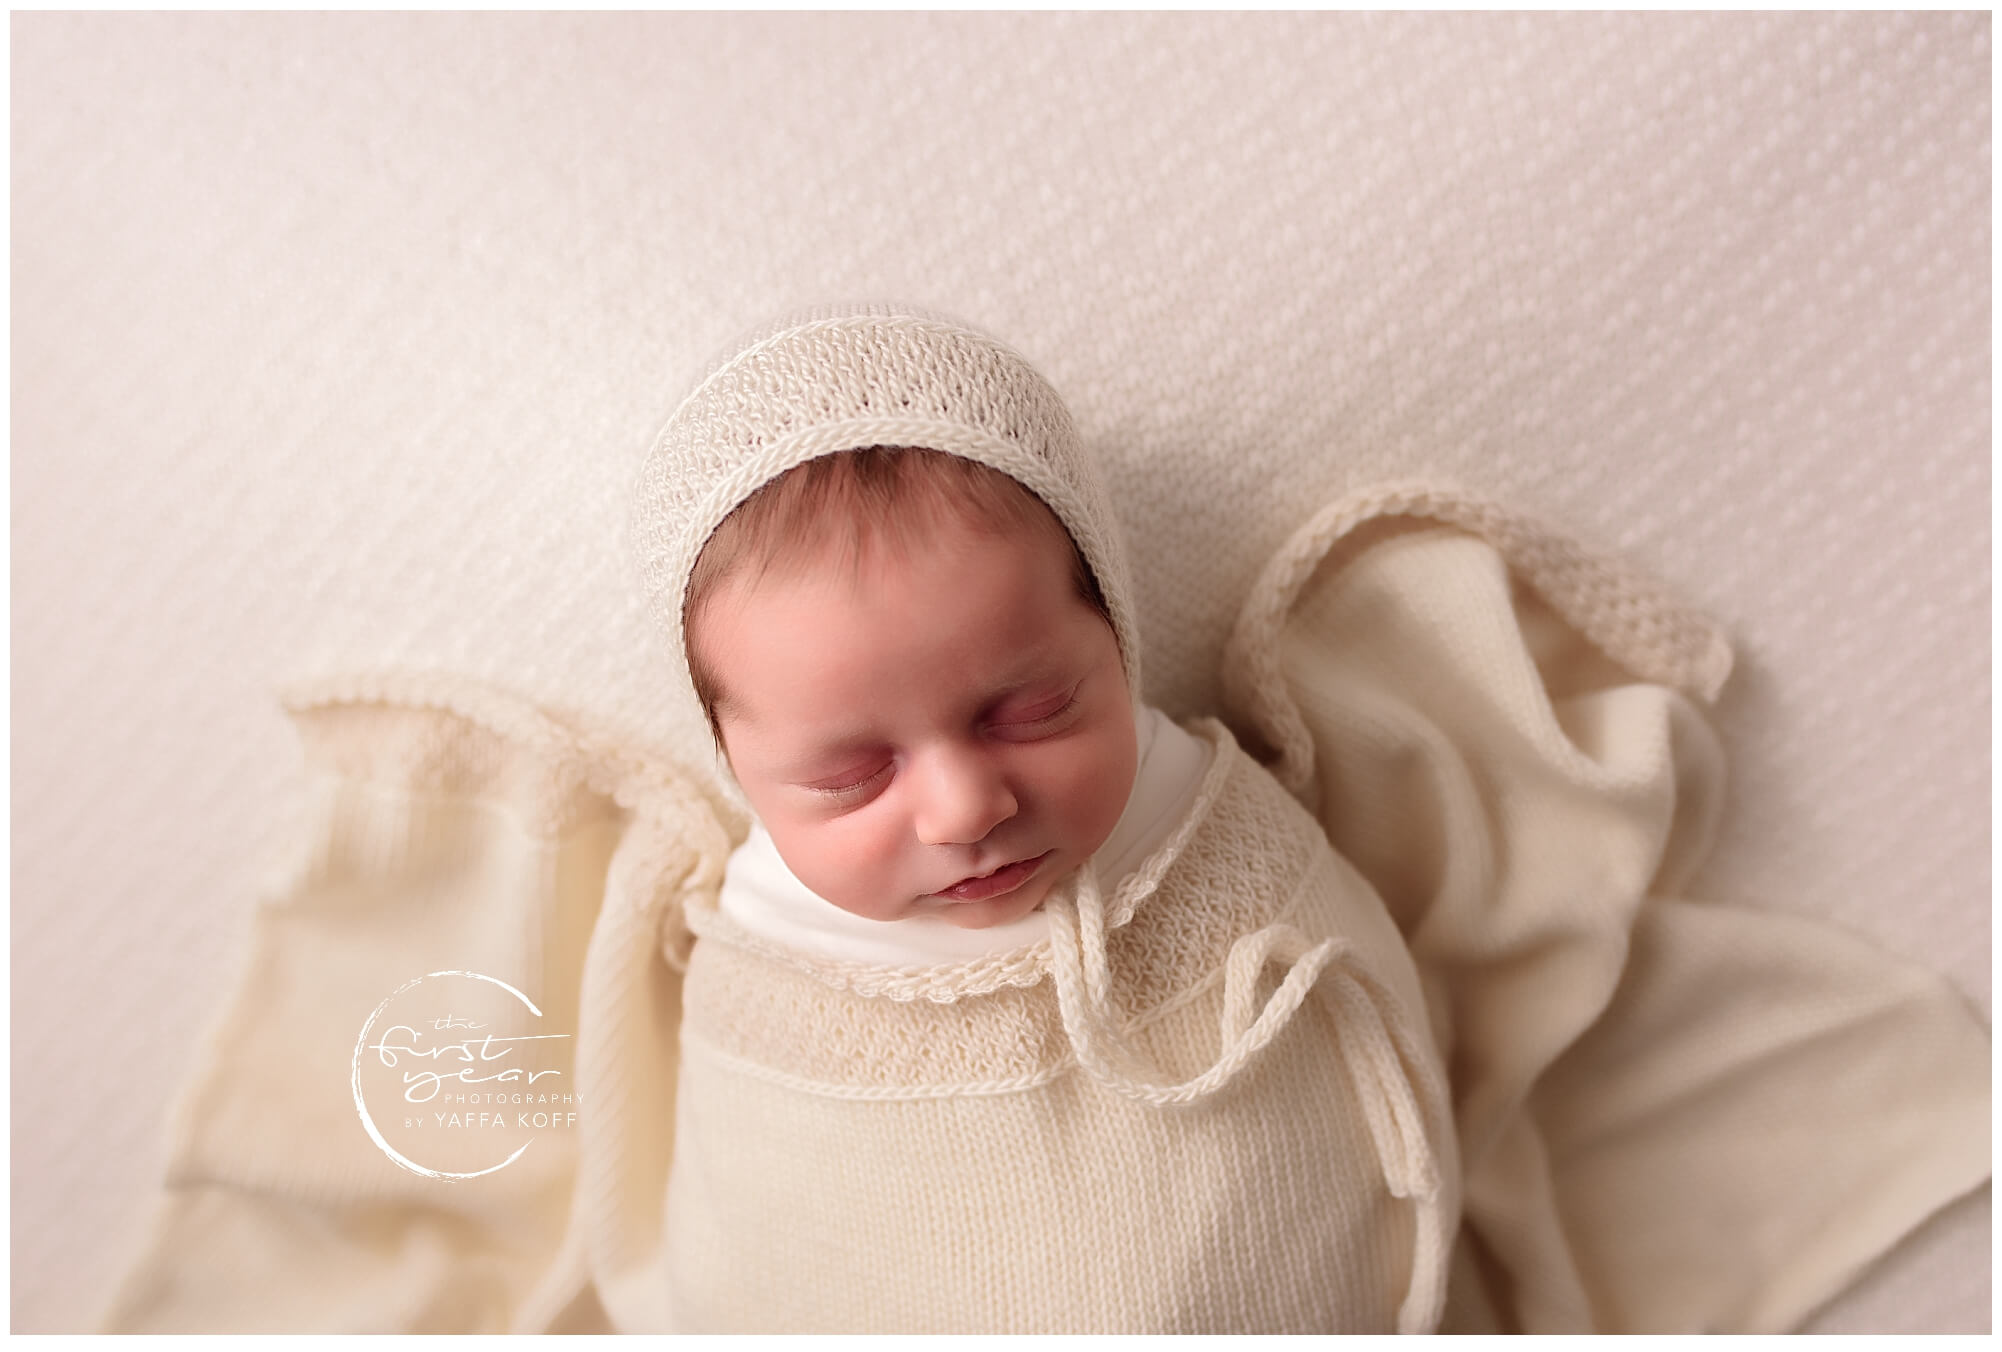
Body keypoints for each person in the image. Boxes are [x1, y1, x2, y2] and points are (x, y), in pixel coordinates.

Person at [626, 303, 1458, 1333]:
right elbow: (759, 1261)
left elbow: (1352, 1094)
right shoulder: (761, 969)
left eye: (1031, 711)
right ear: (739, 768)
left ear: (1114, 637)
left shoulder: (1216, 837)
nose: (965, 806)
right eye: (848, 775)